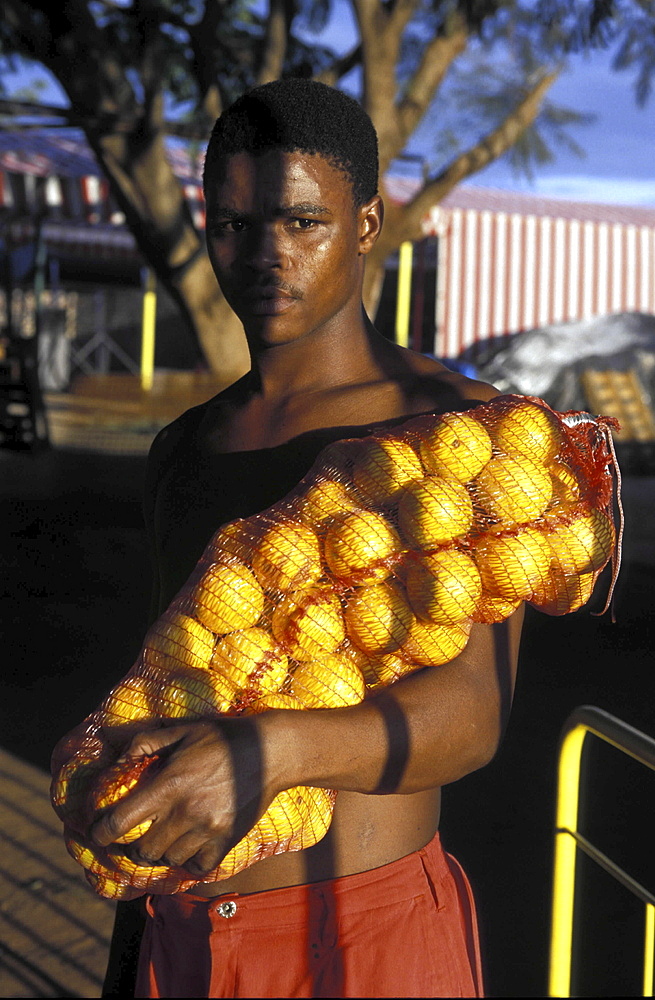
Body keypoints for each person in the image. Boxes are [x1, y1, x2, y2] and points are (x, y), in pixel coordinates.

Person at [97, 79, 524, 998]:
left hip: (363, 938)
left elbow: (472, 714)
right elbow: (178, 691)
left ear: (367, 223)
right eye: (232, 226)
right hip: (182, 934)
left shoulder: (446, 429)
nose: (264, 256)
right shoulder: (183, 451)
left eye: (301, 223)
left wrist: (267, 754)